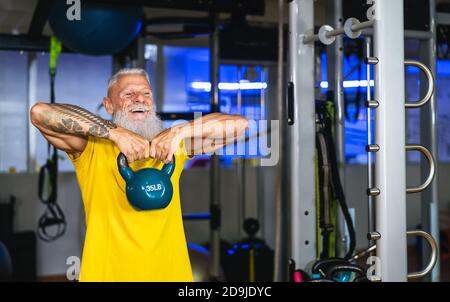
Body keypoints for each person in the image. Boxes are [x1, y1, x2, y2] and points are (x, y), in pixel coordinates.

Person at [30, 68, 248, 282]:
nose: (139, 99)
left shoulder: (173, 145)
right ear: (108, 105)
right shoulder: (92, 147)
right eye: (128, 94)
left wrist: (179, 130)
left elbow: (240, 125)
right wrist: (115, 133)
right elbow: (39, 113)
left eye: (146, 94)